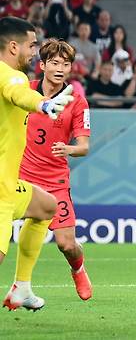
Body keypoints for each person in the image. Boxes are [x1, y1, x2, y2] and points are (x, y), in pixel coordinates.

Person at [0, 17, 74, 311]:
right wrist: (43, 103)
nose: (35, 52)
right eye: (32, 45)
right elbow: (19, 93)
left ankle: (22, 288)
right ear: (14, 46)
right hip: (1, 190)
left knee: (46, 206)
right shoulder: (14, 76)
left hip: (10, 183)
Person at [13, 38, 92, 304]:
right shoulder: (25, 91)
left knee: (66, 244)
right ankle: (21, 286)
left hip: (56, 180)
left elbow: (84, 147)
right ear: (43, 65)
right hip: (21, 176)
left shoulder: (77, 102)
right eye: (55, 62)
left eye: (66, 64)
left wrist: (68, 149)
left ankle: (78, 269)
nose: (60, 68)